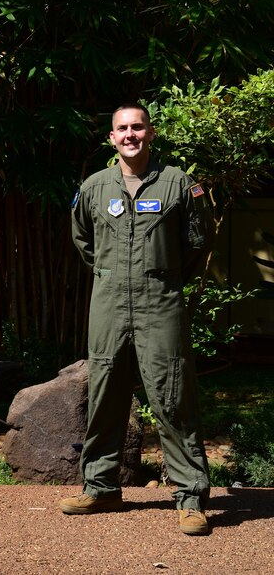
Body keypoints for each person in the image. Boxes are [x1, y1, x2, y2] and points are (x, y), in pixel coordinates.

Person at [62, 104, 212, 535]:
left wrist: (160, 276)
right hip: (109, 301)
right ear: (112, 137)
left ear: (151, 132)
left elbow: (197, 243)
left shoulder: (178, 183)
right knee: (105, 392)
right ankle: (101, 487)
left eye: (138, 127)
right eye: (122, 128)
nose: (130, 134)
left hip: (160, 301)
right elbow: (83, 240)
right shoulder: (94, 186)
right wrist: (113, 275)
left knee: (172, 395)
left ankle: (190, 497)